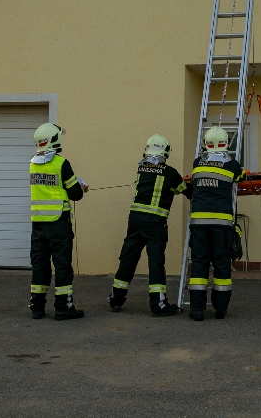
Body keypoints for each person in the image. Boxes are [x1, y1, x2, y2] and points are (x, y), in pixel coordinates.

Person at [108, 134, 192, 317]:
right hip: (155, 224)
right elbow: (186, 191)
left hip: (135, 221)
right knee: (156, 263)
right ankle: (158, 305)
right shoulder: (171, 173)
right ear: (166, 151)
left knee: (128, 259)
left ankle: (116, 299)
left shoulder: (141, 168)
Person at [28, 123, 88, 321]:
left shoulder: (32, 164)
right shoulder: (61, 163)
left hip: (38, 224)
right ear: (55, 139)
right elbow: (75, 194)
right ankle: (63, 307)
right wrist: (81, 187)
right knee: (62, 266)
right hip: (58, 224)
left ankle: (37, 307)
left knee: (40, 265)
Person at [187, 126, 245, 321]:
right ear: (225, 143)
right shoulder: (232, 164)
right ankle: (220, 308)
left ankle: (197, 309)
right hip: (221, 225)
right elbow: (242, 177)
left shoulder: (197, 163)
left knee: (199, 264)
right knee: (221, 264)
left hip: (199, 224)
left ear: (206, 144)